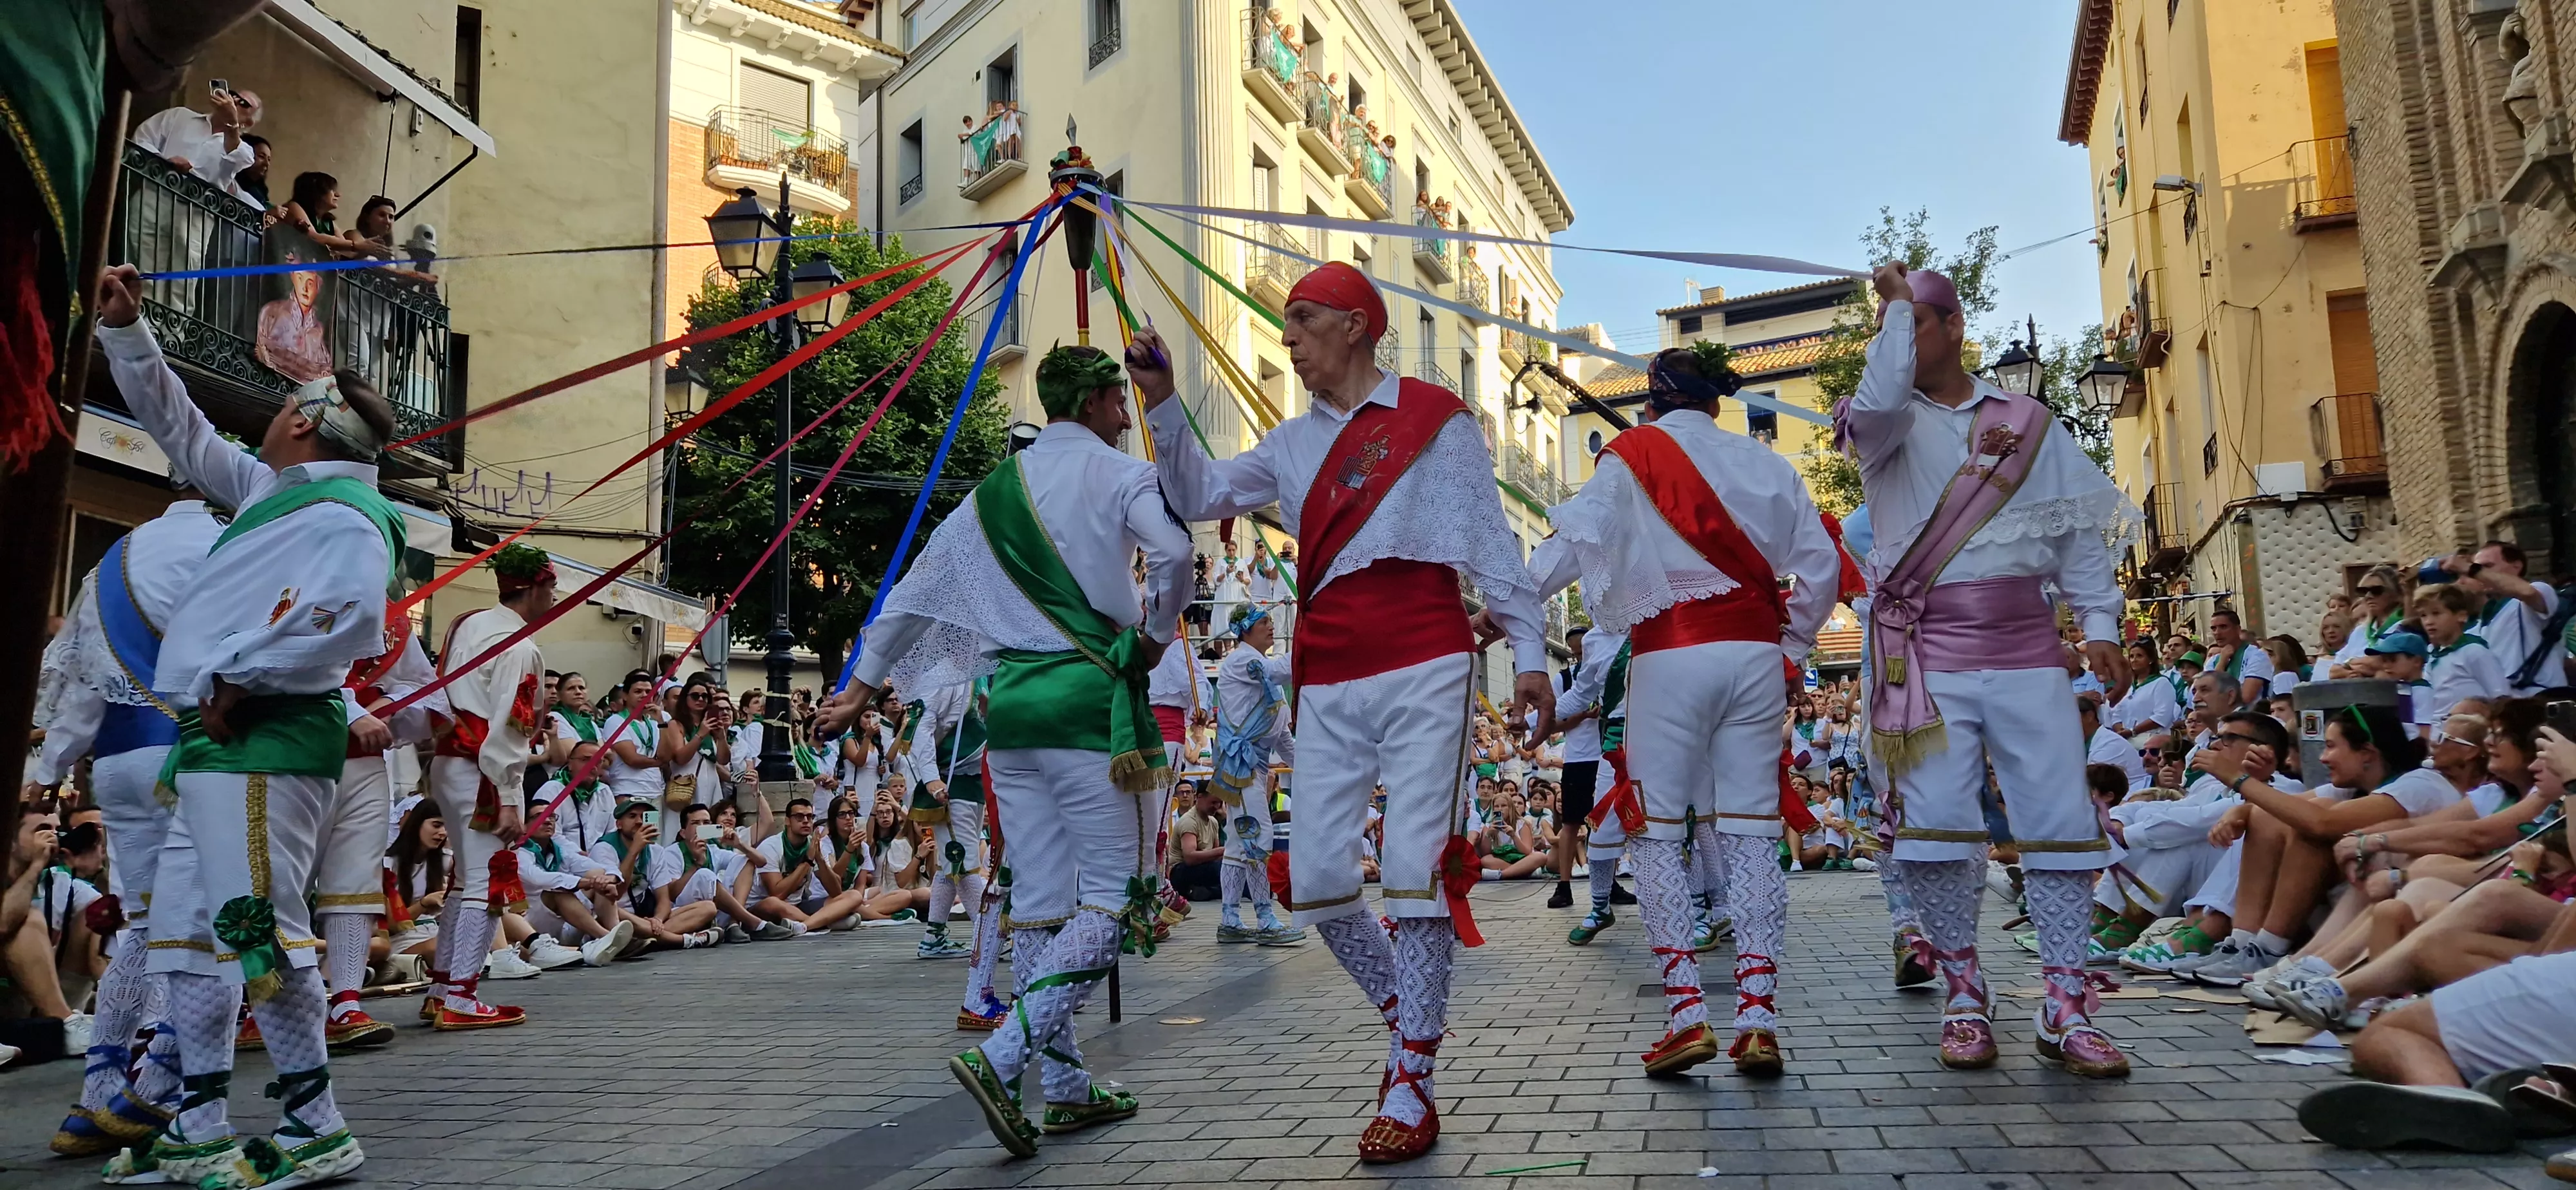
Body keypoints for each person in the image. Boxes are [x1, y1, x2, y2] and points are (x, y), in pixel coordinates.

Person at [1132, 263, 1554, 1163]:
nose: (1287, 338)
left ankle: (1413, 1078)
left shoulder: (1436, 422)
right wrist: (1163, 401)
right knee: (1320, 878)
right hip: (1327, 675)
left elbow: (1487, 539)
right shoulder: (1287, 445)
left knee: (1415, 868)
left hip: (1426, 658)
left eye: (1303, 319)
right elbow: (1200, 495)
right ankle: (1410, 1014)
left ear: (1357, 326)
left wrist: (1528, 655)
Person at [827, 343, 1194, 1156]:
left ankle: (1064, 1087)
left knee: (1037, 897)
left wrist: (861, 682)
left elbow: (915, 592)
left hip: (1011, 715)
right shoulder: (1122, 474)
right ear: (1101, 400)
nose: (1121, 412)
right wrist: (1152, 638)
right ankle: (1004, 1055)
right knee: (1116, 893)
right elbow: (1173, 554)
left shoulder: (992, 493)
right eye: (1116, 399)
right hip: (1091, 702)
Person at [95, 263, 399, 1187]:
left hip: (259, 738)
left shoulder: (348, 512)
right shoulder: (279, 493)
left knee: (258, 927)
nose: (265, 413)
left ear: (304, 422)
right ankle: (199, 1122)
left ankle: (314, 1123)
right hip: (219, 742)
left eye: (281, 402)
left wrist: (236, 672)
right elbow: (179, 429)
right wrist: (128, 333)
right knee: (192, 934)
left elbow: (346, 618)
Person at [1845, 263, 2135, 1079]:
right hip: (1923, 652)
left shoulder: (2029, 421)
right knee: (1936, 831)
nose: (1895, 341)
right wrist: (1895, 312)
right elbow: (1872, 401)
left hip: (2025, 646)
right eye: (1890, 331)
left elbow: (2077, 533)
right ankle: (1964, 994)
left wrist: (2101, 620)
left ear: (1953, 328)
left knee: (2058, 822)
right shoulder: (1883, 424)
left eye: (1913, 325)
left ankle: (2066, 1004)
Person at [1526, 345, 1839, 1078]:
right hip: (1754, 658)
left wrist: (1503, 611)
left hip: (1668, 657)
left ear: (1652, 406)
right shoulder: (1768, 463)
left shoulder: (1630, 454)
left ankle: (1687, 1015)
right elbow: (1819, 566)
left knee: (1659, 834)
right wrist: (1787, 643)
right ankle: (1758, 1017)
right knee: (1753, 835)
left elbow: (1574, 543)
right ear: (1717, 405)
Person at [32, 490, 223, 1157]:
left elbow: (82, 685)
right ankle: (153, 1088)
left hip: (115, 760)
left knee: (147, 927)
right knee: (197, 929)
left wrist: (49, 765)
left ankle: (95, 1098)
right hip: (191, 755)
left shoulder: (113, 560)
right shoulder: (226, 546)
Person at [417, 545, 551, 1033]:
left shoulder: (469, 623)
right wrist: (512, 797)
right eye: (551, 588)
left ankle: (442, 988)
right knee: (484, 881)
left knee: (464, 877)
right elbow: (511, 728)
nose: (553, 596)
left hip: (451, 763)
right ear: (534, 588)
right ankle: (461, 995)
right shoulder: (521, 646)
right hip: (483, 770)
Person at [313, 610, 439, 1050]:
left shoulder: (393, 620)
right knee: (280, 884)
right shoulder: (291, 582)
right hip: (294, 752)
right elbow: (280, 662)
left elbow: (422, 688)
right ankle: (257, 1003)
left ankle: (346, 1002)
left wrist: (390, 708)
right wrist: (350, 708)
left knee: (357, 881)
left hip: (364, 763)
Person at [1210, 603, 1300, 945]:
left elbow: (1284, 738)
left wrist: (1311, 768)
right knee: (1257, 839)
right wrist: (1308, 640)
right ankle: (1265, 917)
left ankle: (1231, 918)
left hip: (1254, 767)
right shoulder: (1243, 661)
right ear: (1246, 629)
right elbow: (1281, 669)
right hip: (1242, 767)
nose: (1271, 626)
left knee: (1238, 844)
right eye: (1264, 622)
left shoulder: (1263, 672)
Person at [128, 85, 260, 316]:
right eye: (235, 95)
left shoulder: (244, 149)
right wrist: (164, 160)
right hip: (153, 199)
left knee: (182, 281)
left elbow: (237, 157)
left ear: (248, 123)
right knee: (144, 270)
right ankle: (141, 329)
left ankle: (172, 344)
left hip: (194, 216)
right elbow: (142, 138)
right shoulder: (180, 116)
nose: (236, 100)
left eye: (245, 104)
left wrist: (231, 125)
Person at [900, 679, 989, 964]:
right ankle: (987, 937)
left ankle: (933, 936)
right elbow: (921, 727)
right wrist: (931, 778)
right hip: (949, 783)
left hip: (973, 781)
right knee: (961, 861)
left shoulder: (982, 672)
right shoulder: (943, 676)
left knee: (950, 863)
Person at [2448, 540, 2570, 694]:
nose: (2478, 574)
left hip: (2540, 699)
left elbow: (2527, 592)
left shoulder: (2538, 591)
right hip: (2503, 705)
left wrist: (2468, 567)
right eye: (2477, 567)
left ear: (2516, 567)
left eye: (2487, 567)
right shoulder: (2480, 624)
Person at [2206, 607, 2276, 706]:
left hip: (2251, 718)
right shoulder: (2213, 660)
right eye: (2214, 628)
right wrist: (2222, 662)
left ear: (2238, 629)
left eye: (2223, 627)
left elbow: (2246, 697)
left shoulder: (2256, 656)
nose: (2217, 633)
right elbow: (2207, 694)